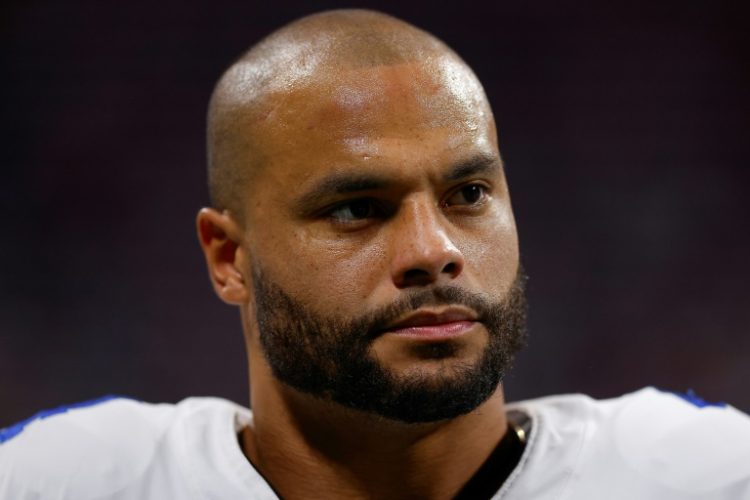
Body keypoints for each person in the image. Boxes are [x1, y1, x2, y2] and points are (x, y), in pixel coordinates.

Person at [1, 9, 749, 500]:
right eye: (357, 209)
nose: (435, 251)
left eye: (468, 195)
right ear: (228, 258)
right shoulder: (71, 482)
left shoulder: (702, 474)